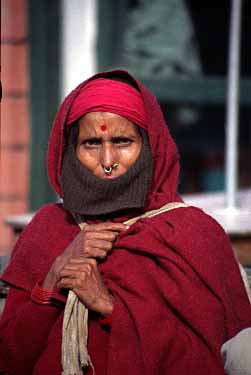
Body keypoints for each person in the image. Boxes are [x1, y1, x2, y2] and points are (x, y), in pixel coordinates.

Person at [0, 69, 251, 375]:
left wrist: (109, 307)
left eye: (123, 141)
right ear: (70, 151)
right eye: (91, 144)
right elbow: (10, 359)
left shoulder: (192, 234)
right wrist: (55, 275)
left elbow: (211, 360)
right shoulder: (49, 228)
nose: (108, 162)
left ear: (150, 145)